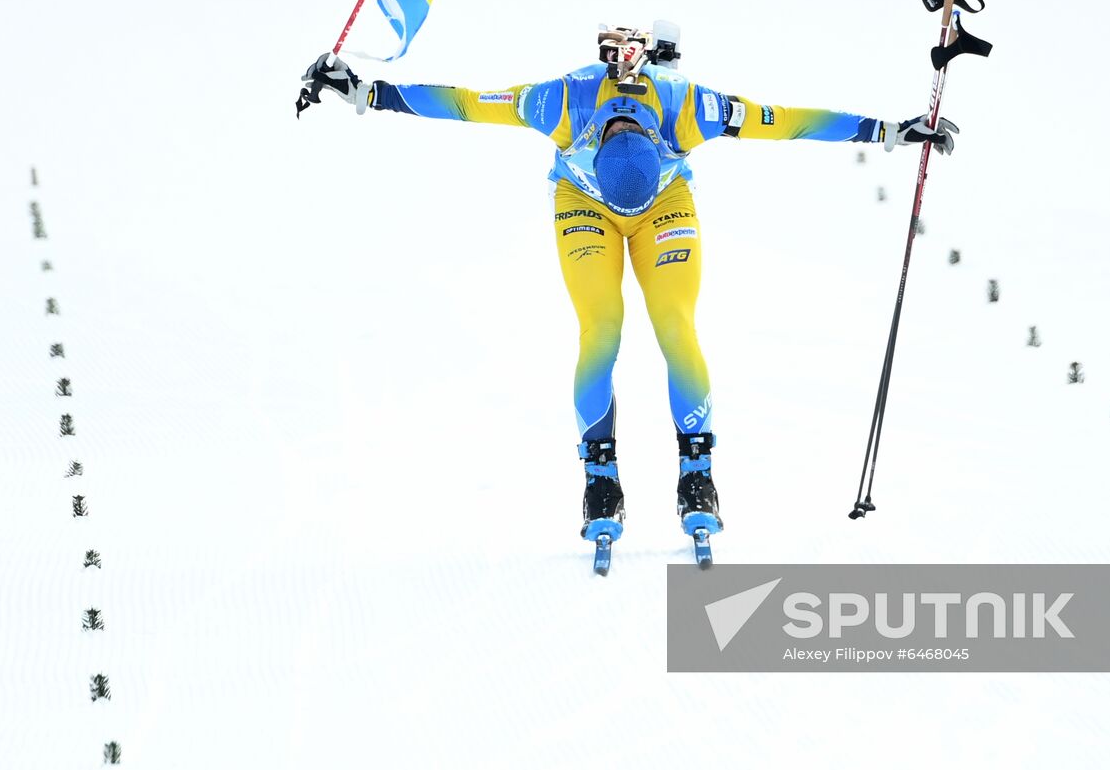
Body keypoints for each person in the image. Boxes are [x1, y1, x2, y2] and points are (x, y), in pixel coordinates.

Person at [298, 29, 957, 560]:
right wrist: (367, 92)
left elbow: (785, 122)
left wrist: (890, 132)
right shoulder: (559, 102)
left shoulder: (689, 107)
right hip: (583, 201)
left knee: (675, 323)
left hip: (664, 201)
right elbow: (468, 103)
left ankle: (697, 473)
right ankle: (601, 480)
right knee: (601, 328)